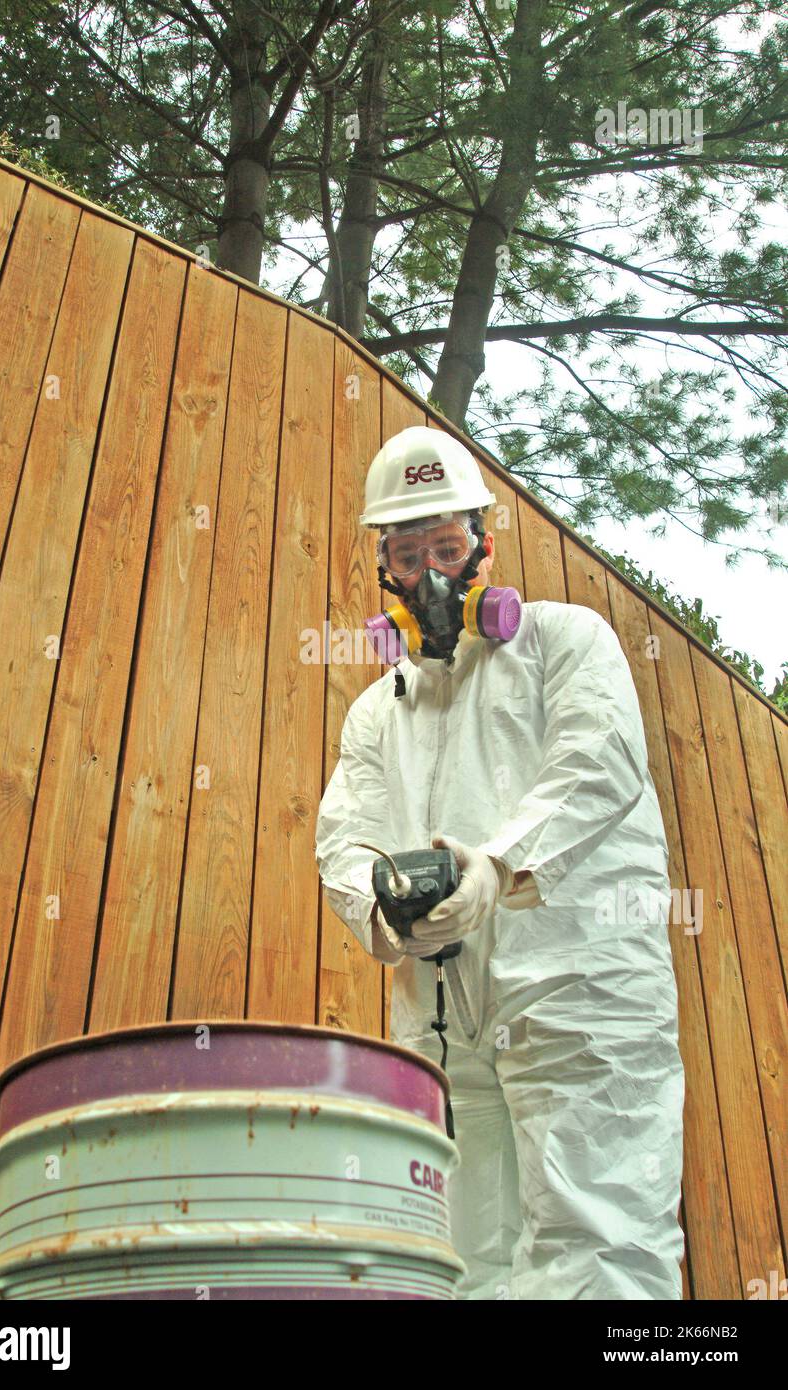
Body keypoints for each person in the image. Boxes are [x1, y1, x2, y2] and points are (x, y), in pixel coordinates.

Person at [314, 425, 686, 1301]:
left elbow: (597, 767)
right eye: (408, 555)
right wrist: (376, 901)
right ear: (384, 575)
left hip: (576, 988)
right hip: (442, 1011)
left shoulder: (563, 641)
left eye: (446, 546)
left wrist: (495, 867)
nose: (431, 575)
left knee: (598, 1237)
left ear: (484, 542)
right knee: (459, 1258)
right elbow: (343, 835)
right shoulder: (377, 711)